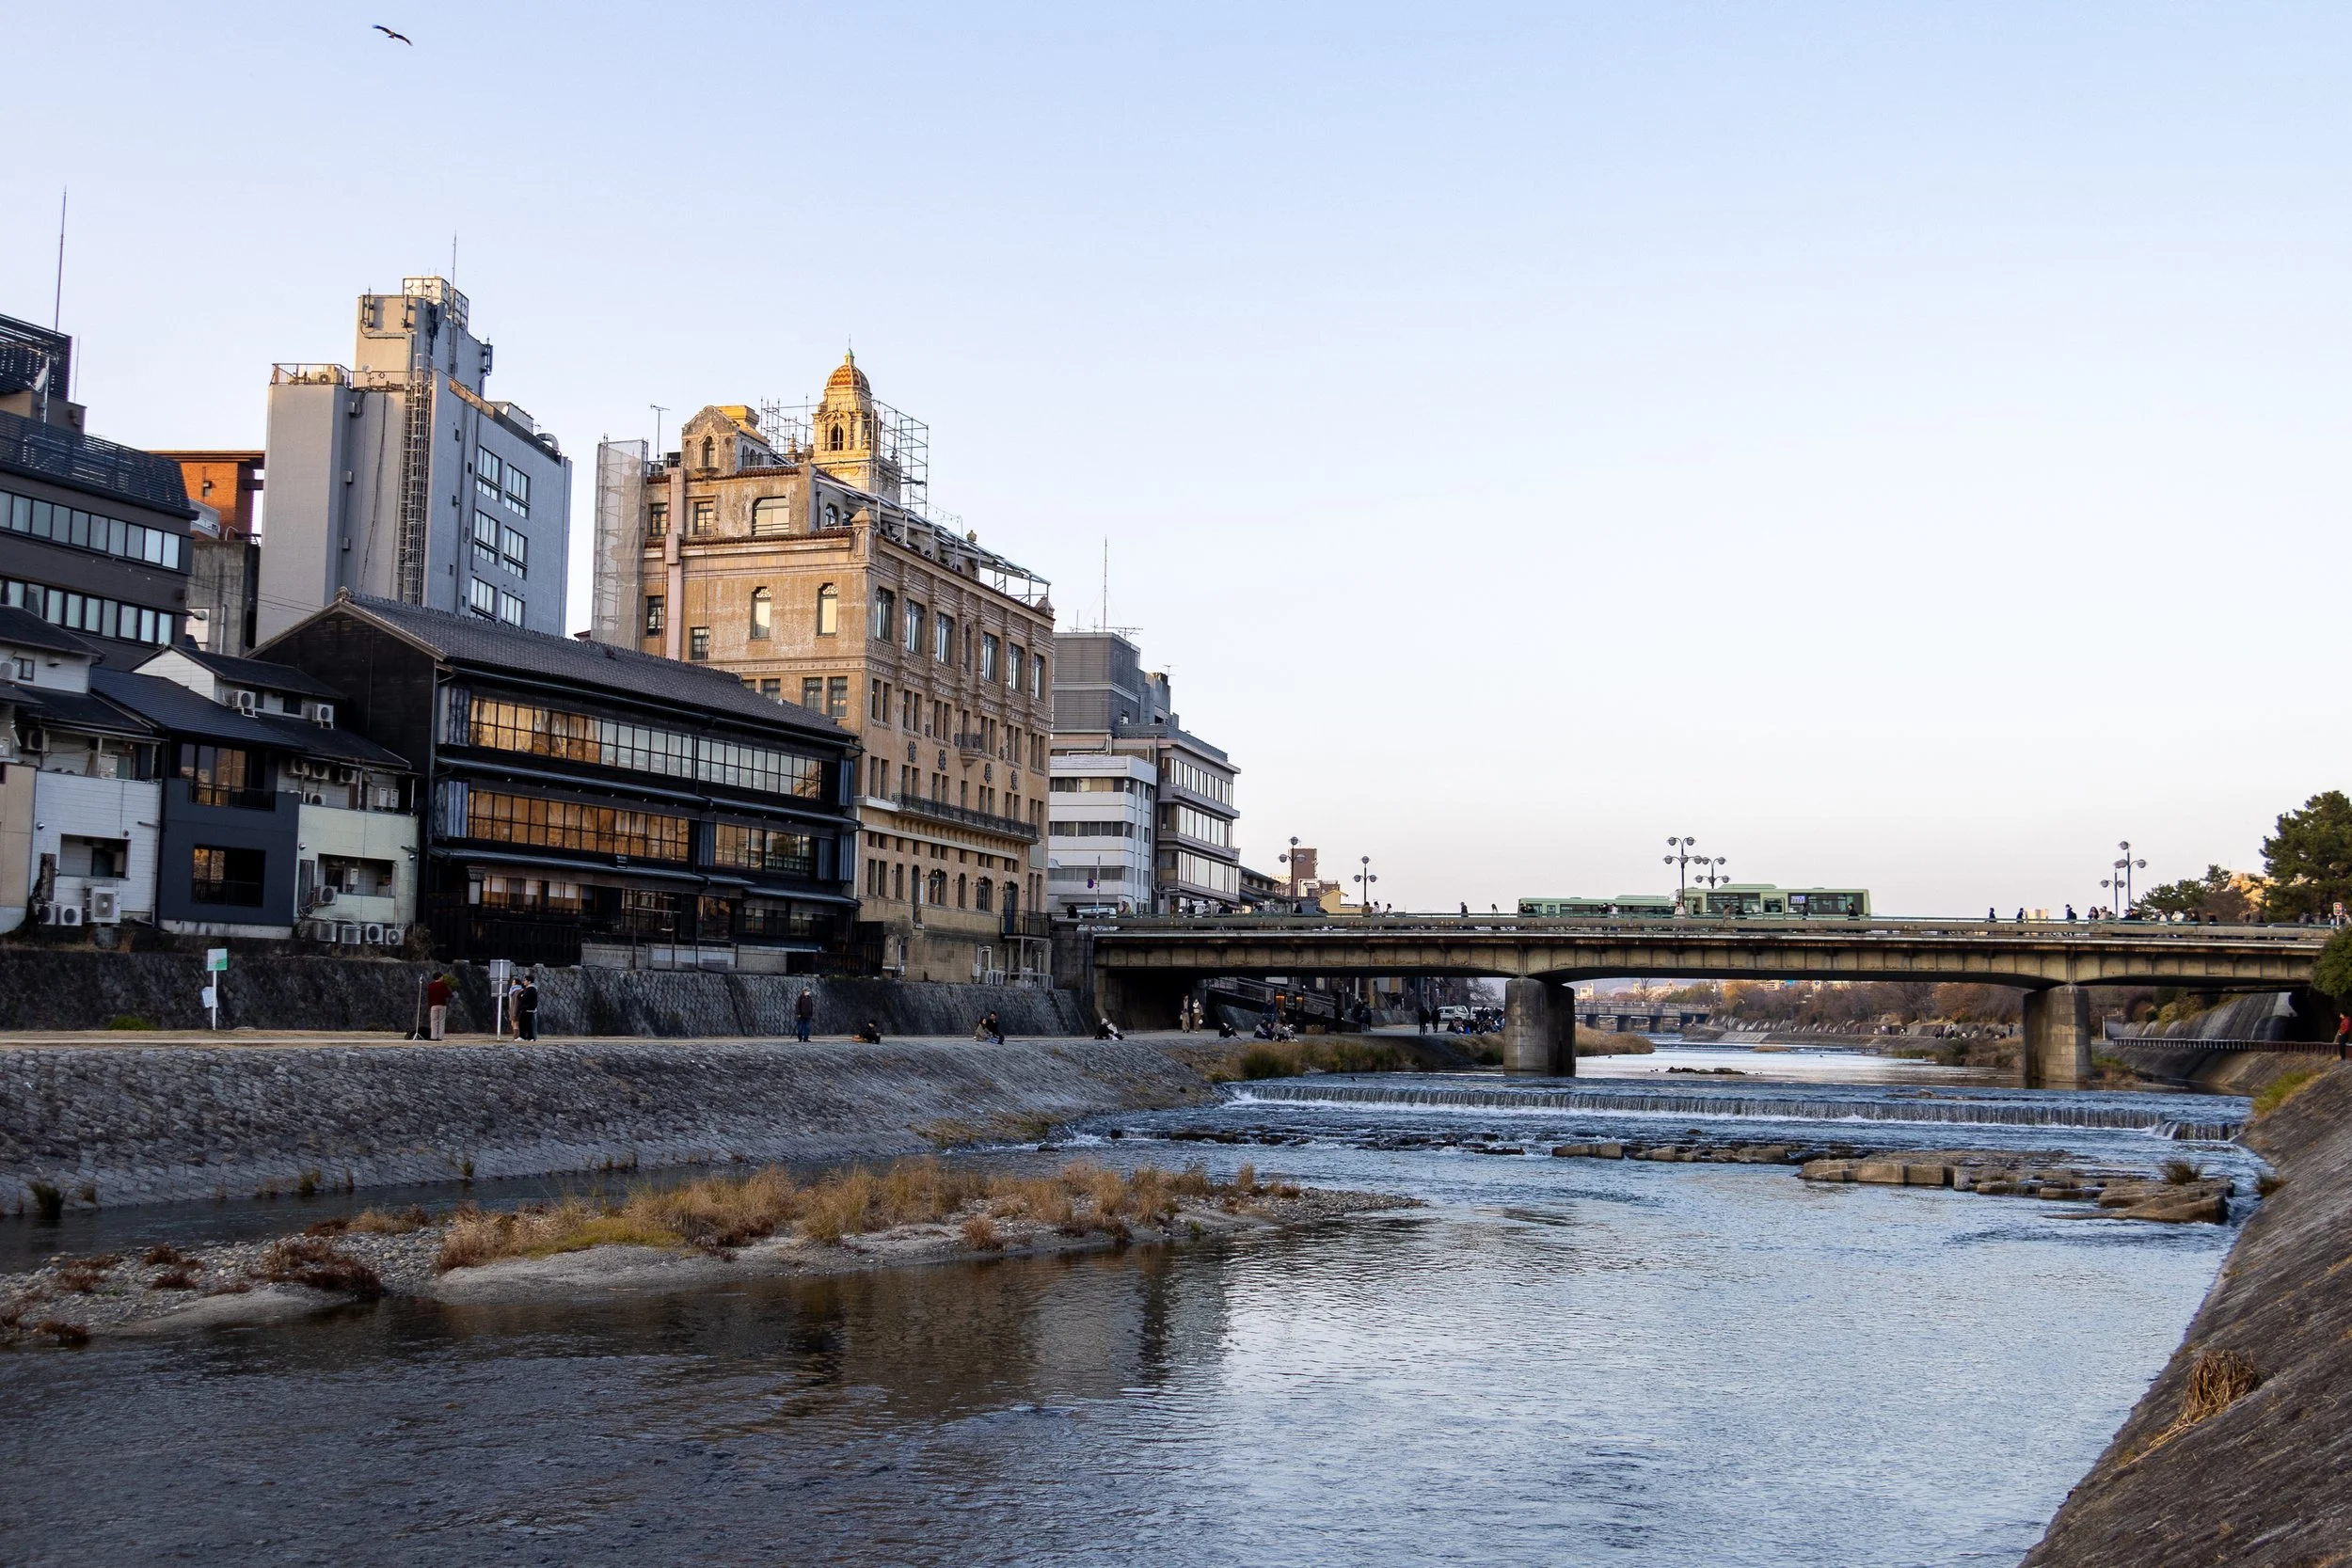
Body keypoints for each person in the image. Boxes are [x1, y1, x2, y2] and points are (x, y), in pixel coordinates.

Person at [424, 972, 453, 1041]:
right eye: (442, 977)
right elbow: (448, 994)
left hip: (433, 1005)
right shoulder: (442, 985)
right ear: (440, 977)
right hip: (442, 1004)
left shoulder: (430, 985)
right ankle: (440, 1037)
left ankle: (433, 1036)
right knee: (441, 1021)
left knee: (434, 1021)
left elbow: (429, 996)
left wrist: (429, 1005)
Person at [516, 971, 540, 1040]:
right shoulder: (530, 989)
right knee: (527, 1023)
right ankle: (529, 1037)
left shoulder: (530, 989)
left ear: (529, 981)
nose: (524, 982)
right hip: (528, 1008)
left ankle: (524, 1036)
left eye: (525, 980)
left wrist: (521, 996)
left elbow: (524, 999)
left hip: (527, 1008)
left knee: (524, 1023)